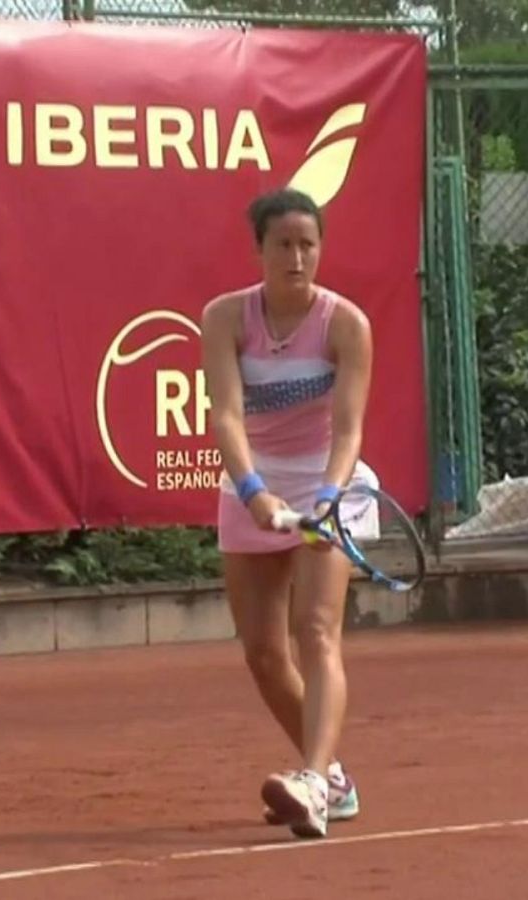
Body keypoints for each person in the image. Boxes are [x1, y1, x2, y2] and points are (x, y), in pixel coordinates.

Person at [200, 187, 378, 840]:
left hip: (330, 487)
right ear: (260, 250)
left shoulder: (345, 324)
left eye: (308, 244)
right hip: (254, 485)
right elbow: (225, 413)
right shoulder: (224, 319)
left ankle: (310, 779)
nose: (297, 257)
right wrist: (252, 491)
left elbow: (350, 428)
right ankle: (333, 779)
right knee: (263, 654)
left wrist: (328, 499)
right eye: (283, 245)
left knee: (317, 630)